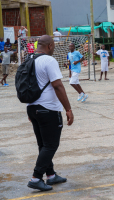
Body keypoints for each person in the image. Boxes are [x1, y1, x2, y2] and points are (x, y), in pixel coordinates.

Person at [26, 35, 74, 191]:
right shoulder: (49, 60)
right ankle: (36, 177)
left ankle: (51, 175)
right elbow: (58, 86)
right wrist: (68, 108)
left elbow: (28, 85)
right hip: (48, 109)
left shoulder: (29, 59)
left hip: (33, 107)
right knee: (51, 145)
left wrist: (30, 107)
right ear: (50, 45)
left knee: (43, 144)